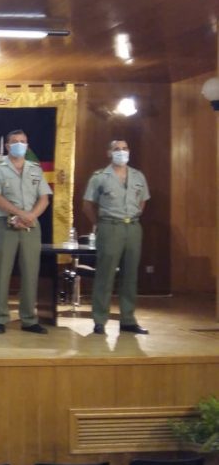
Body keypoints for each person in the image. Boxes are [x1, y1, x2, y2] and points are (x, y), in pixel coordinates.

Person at [0, 129, 52, 334]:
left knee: (31, 272)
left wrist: (31, 216)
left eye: (23, 141)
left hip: (31, 226)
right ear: (7, 146)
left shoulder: (35, 169)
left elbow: (44, 198)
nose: (19, 144)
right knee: (1, 272)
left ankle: (29, 319)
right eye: (15, 141)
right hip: (5, 224)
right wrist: (19, 213)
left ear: (27, 145)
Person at [82, 140, 150, 335]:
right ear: (109, 153)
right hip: (110, 227)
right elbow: (87, 205)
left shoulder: (138, 175)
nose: (121, 152)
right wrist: (99, 223)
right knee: (105, 275)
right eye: (117, 149)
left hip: (133, 227)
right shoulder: (100, 177)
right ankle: (100, 320)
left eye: (125, 148)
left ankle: (128, 320)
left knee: (130, 275)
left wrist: (133, 215)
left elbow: (142, 200)